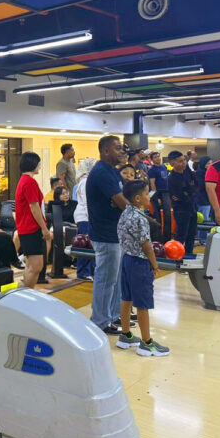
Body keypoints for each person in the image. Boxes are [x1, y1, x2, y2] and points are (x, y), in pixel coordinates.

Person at [115, 181, 170, 357]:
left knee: (127, 298)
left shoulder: (125, 213)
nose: (149, 196)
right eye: (147, 193)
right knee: (142, 304)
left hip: (126, 260)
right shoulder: (140, 218)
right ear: (138, 198)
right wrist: (155, 264)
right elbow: (147, 246)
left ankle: (125, 335)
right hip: (139, 263)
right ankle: (146, 343)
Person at [87, 135, 128, 334]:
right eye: (117, 148)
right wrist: (140, 216)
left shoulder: (112, 171)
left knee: (115, 279)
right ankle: (100, 321)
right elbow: (122, 202)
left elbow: (123, 198)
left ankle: (112, 315)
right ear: (105, 151)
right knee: (105, 280)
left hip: (115, 233)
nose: (122, 151)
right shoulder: (102, 172)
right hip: (105, 234)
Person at [14, 152, 53, 288]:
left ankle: (25, 292)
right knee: (36, 266)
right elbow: (34, 207)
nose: (39, 166)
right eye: (38, 164)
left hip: (27, 228)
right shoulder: (29, 182)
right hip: (31, 229)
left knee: (31, 265)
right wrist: (44, 228)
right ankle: (26, 292)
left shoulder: (24, 180)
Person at [167, 151, 198, 256]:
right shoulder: (172, 178)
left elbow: (195, 185)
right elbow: (178, 196)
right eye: (180, 161)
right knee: (181, 234)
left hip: (192, 207)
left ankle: (189, 254)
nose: (183, 163)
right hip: (181, 210)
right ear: (172, 163)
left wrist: (190, 193)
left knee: (191, 234)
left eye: (184, 160)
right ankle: (176, 255)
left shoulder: (187, 171)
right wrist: (189, 193)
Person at [73, 158, 96, 281]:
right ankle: (83, 272)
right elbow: (88, 202)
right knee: (84, 244)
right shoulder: (85, 181)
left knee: (90, 244)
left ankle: (90, 270)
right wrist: (93, 218)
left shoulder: (87, 180)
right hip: (85, 217)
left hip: (87, 216)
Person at [148, 151, 171, 242]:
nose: (158, 158)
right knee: (158, 217)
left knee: (167, 216)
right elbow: (152, 184)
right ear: (152, 159)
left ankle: (167, 237)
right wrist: (156, 197)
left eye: (158, 156)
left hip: (166, 192)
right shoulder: (152, 170)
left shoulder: (164, 167)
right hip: (157, 194)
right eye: (155, 157)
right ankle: (158, 238)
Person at [195, 156, 213, 244]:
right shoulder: (201, 174)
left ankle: (201, 238)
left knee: (204, 219)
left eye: (211, 163)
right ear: (204, 165)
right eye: (208, 163)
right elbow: (203, 187)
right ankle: (202, 239)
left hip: (206, 199)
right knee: (203, 220)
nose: (210, 165)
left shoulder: (207, 173)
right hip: (203, 200)